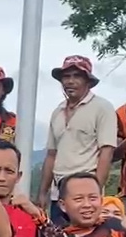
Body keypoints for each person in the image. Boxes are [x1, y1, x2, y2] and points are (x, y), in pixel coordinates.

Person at [38, 56, 117, 222]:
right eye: (66, 76)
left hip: (85, 194)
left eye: (77, 76)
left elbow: (107, 152)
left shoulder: (102, 108)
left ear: (88, 81)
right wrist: (43, 192)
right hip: (59, 194)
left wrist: (96, 192)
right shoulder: (57, 112)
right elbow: (51, 155)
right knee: (59, 236)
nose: (70, 81)